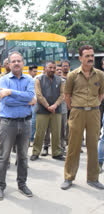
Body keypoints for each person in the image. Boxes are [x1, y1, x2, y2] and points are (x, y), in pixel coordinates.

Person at [61, 45, 104, 190]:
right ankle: (68, 177)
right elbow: (67, 95)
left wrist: (96, 103)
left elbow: (101, 93)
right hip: (77, 112)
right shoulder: (72, 75)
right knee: (73, 146)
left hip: (94, 113)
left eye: (92, 55)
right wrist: (73, 108)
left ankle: (93, 178)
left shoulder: (100, 75)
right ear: (80, 58)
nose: (91, 58)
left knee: (93, 145)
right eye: (87, 56)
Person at [0, 51, 35, 200]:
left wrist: (11, 92)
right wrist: (26, 99)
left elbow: (30, 96)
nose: (17, 63)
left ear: (23, 63)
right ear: (9, 64)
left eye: (19, 61)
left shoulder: (29, 79)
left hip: (25, 123)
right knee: (3, 157)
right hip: (8, 123)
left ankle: (22, 184)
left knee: (23, 157)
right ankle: (0, 186)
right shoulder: (4, 80)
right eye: (14, 61)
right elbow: (6, 102)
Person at [30, 61, 65, 161]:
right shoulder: (38, 79)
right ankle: (36, 152)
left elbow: (62, 95)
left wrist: (55, 105)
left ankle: (56, 153)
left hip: (56, 110)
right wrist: (47, 106)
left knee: (56, 132)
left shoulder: (60, 80)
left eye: (54, 68)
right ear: (45, 68)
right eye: (50, 67)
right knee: (40, 132)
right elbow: (38, 94)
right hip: (42, 110)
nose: (52, 70)